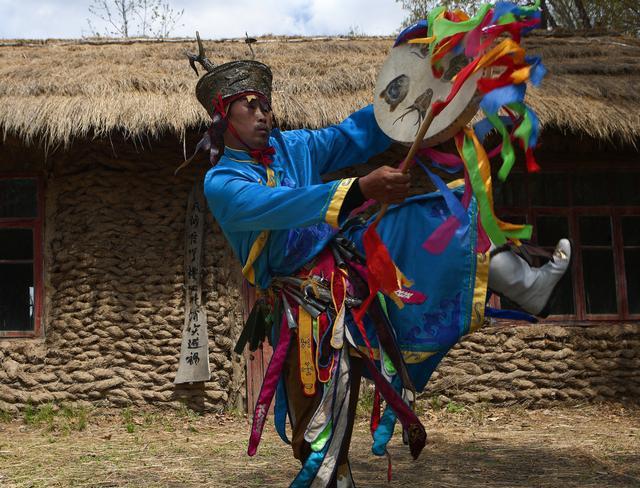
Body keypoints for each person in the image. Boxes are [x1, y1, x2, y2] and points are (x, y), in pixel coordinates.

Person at [187, 56, 571, 487]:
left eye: (266, 106)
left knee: (435, 215)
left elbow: (354, 135)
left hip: (352, 271)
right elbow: (277, 207)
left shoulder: (294, 147)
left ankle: (527, 285)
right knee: (322, 439)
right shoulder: (221, 181)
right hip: (305, 308)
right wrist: (360, 188)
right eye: (250, 106)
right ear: (223, 114)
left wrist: (414, 91)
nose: (263, 115)